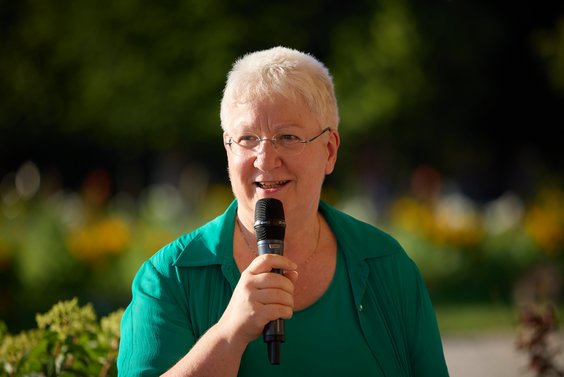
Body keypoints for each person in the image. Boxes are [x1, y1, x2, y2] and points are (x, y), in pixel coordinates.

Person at [117, 46, 450, 377]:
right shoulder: (168, 278)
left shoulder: (387, 267)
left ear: (330, 150)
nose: (265, 159)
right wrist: (228, 334)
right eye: (248, 138)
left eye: (287, 137)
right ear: (227, 150)